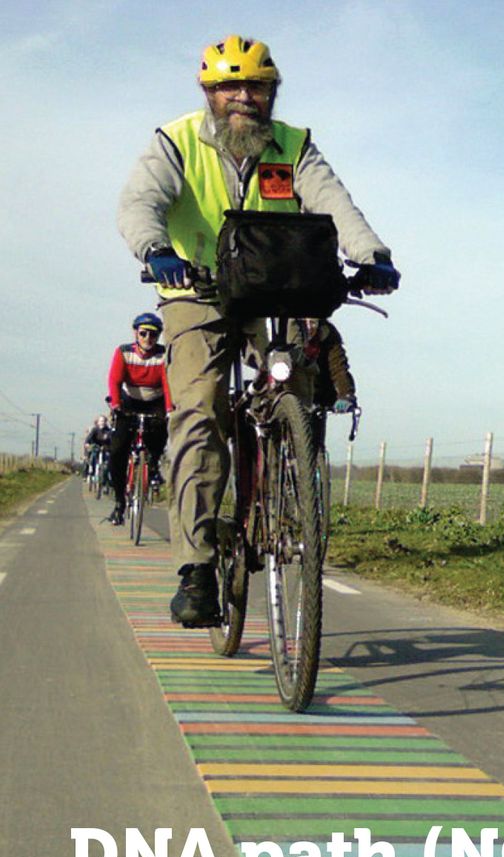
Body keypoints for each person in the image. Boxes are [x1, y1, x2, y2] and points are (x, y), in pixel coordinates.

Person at [118, 34, 399, 626]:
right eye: (230, 86)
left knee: (296, 384)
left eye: (257, 87)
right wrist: (155, 249)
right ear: (209, 92)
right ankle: (197, 568)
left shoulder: (294, 145)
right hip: (197, 292)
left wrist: (371, 255)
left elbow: (335, 204)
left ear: (273, 92)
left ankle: (287, 482)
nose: (244, 97)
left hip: (275, 290)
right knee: (199, 410)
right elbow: (139, 204)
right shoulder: (176, 142)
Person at [107, 313, 171, 525]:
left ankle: (153, 464)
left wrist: (169, 409)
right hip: (130, 400)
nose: (147, 338)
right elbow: (114, 380)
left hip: (155, 400)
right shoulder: (124, 352)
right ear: (135, 333)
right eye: (143, 333)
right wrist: (116, 405)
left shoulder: (163, 355)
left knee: (161, 429)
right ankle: (119, 502)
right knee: (117, 450)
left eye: (153, 335)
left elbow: (167, 384)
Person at [84, 415, 113, 485]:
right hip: (96, 447)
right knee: (93, 457)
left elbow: (111, 440)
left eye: (104, 421)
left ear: (106, 422)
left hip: (105, 448)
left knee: (107, 462)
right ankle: (92, 472)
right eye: (101, 421)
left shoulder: (108, 430)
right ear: (98, 422)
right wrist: (87, 443)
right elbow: (89, 438)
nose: (102, 423)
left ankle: (106, 479)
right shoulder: (95, 429)